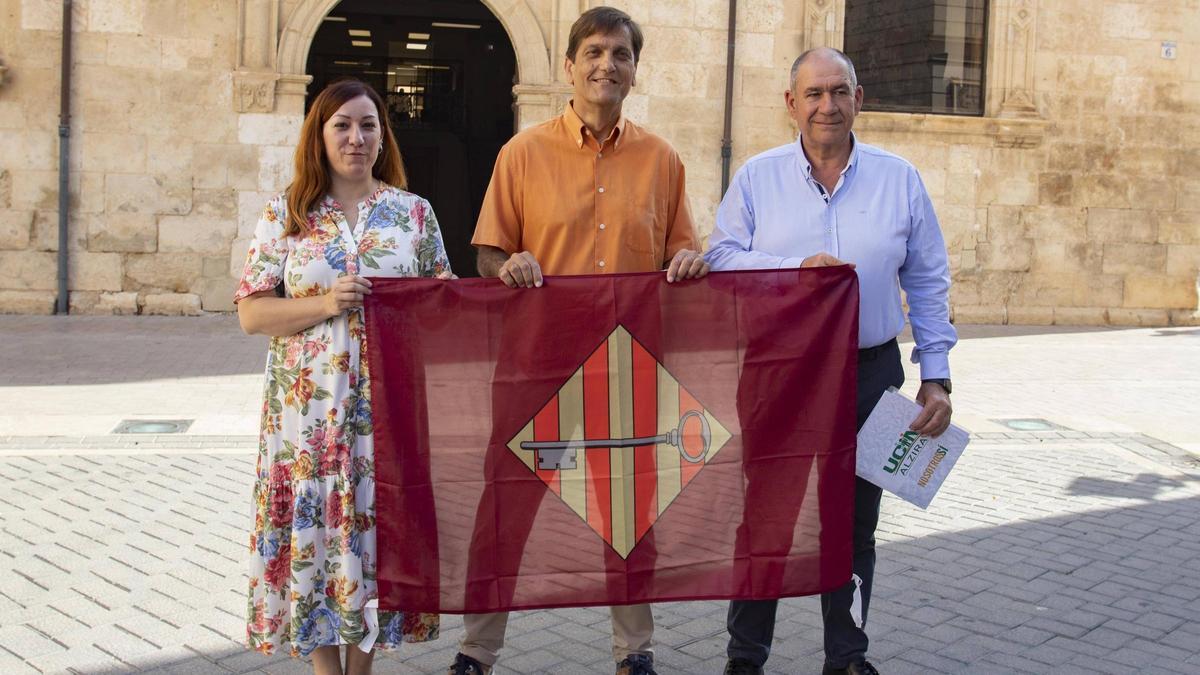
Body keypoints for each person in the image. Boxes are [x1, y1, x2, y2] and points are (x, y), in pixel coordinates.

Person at [447, 7, 709, 675]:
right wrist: (508, 265)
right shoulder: (523, 153)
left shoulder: (663, 160)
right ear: (568, 66)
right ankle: (477, 651)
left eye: (620, 53)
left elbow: (684, 249)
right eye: (593, 51)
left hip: (628, 366)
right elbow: (486, 252)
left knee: (629, 516)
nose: (606, 64)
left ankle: (635, 651)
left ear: (634, 69)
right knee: (504, 509)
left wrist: (686, 262)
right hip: (536, 361)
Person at [705, 48, 957, 675]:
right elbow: (721, 260)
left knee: (854, 523)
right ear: (791, 104)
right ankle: (745, 658)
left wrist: (937, 377)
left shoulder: (899, 178)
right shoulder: (757, 179)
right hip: (779, 373)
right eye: (813, 94)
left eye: (838, 92)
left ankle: (846, 656)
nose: (827, 105)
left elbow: (927, 281)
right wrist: (796, 270)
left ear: (858, 98)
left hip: (871, 373)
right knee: (768, 517)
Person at [236, 79, 453, 675]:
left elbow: (444, 307)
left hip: (388, 411)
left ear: (383, 136)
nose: (356, 138)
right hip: (305, 418)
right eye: (342, 125)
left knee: (371, 535)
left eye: (368, 125)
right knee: (316, 535)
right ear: (320, 135)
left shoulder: (414, 214)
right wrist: (327, 303)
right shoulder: (287, 213)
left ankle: (362, 671)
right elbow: (252, 312)